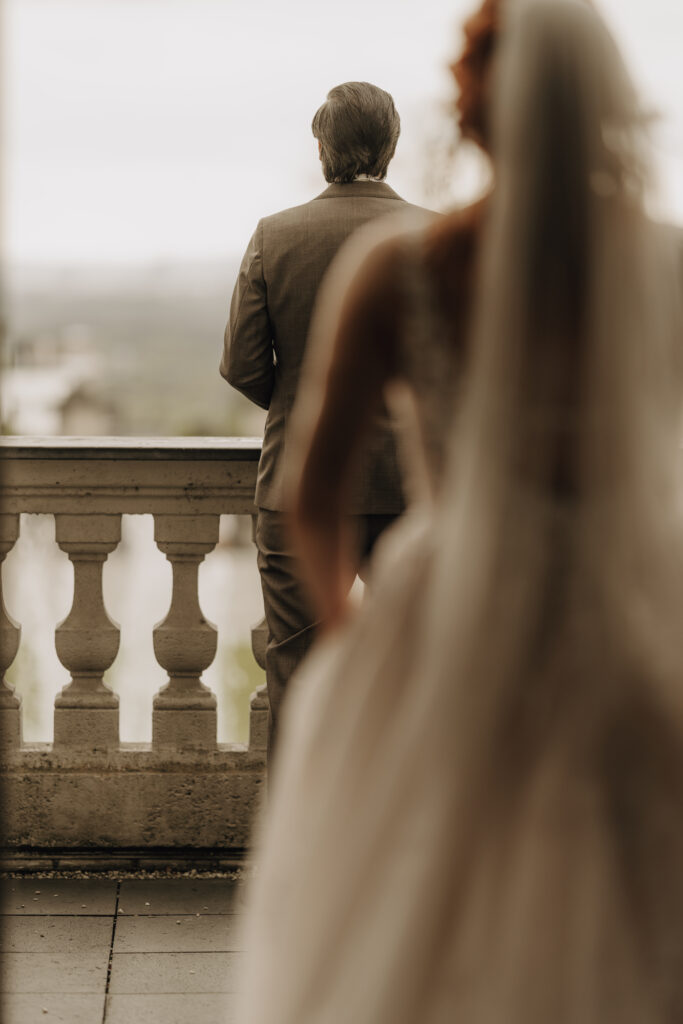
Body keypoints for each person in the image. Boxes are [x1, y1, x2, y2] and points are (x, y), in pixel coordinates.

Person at [239, 0, 683, 1021]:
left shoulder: (403, 273)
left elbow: (312, 489)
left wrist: (356, 644)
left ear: (473, 108)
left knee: (428, 900)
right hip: (637, 594)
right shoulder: (667, 266)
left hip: (453, 609)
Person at [221, 82, 430, 750]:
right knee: (420, 678)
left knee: (298, 675)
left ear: (320, 148)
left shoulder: (275, 235)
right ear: (392, 146)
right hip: (415, 489)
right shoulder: (436, 236)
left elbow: (242, 364)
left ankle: (297, 818)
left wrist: (302, 401)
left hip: (299, 483)